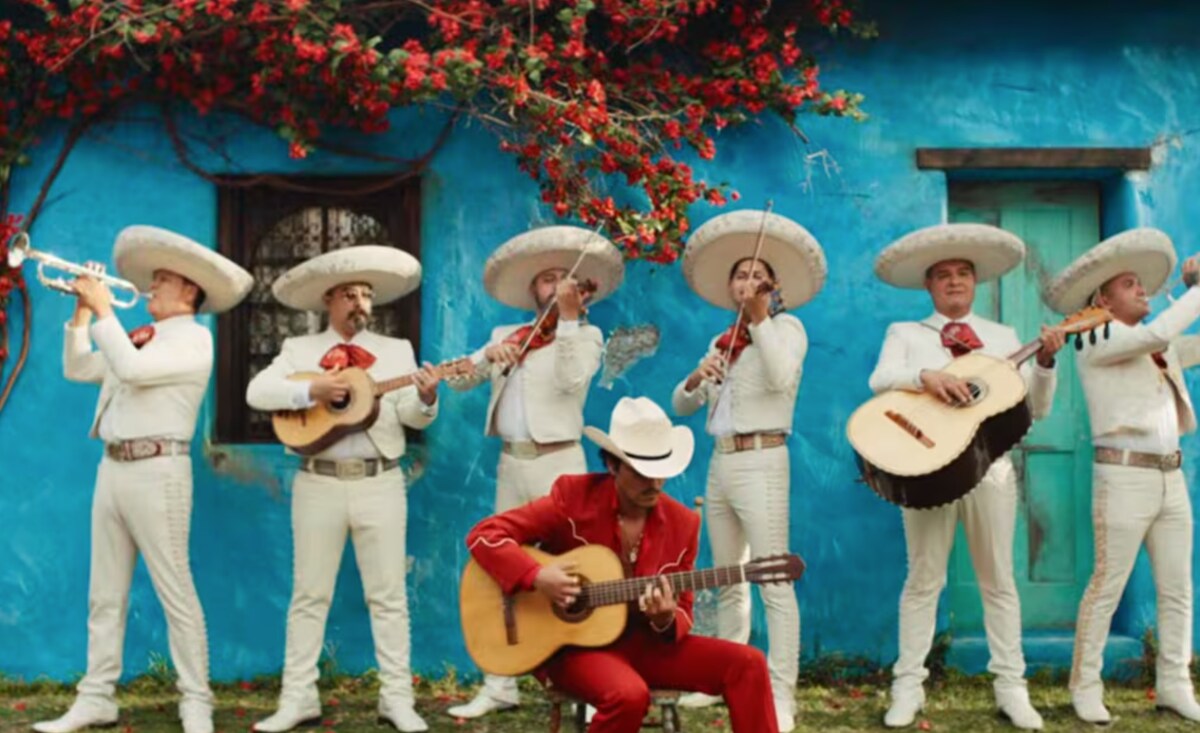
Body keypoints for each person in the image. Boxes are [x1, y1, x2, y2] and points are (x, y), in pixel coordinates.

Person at [35, 226, 253, 733]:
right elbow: (77, 367)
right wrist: (84, 312)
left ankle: (196, 702)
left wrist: (105, 310)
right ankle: (96, 698)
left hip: (160, 472)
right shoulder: (138, 336)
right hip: (112, 469)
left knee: (175, 588)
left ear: (189, 292)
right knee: (103, 594)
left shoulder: (196, 339)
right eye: (152, 280)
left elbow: (131, 371)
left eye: (162, 280)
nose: (151, 288)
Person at [466, 396, 780, 733]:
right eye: (642, 472)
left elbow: (683, 612)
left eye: (661, 471)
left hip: (644, 644)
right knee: (628, 695)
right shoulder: (572, 498)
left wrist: (664, 618)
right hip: (573, 648)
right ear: (613, 465)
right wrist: (536, 575)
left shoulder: (682, 523)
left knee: (748, 663)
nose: (654, 483)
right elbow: (485, 535)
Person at [867, 223, 1065, 730]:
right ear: (929, 286)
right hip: (926, 471)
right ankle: (907, 687)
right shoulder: (906, 334)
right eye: (942, 275)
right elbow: (878, 380)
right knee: (923, 579)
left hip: (990, 472)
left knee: (998, 580)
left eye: (963, 274)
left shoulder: (1001, 338)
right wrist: (924, 377)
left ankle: (1011, 689)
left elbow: (1036, 409)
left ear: (975, 283)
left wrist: (1045, 362)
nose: (953, 281)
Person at [246, 245, 441, 733]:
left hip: (381, 481)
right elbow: (257, 393)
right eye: (350, 294)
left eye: (367, 295)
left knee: (389, 596)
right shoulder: (300, 351)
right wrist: (312, 391)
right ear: (329, 300)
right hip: (318, 482)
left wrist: (426, 397)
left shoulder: (396, 352)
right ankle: (298, 698)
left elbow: (409, 418)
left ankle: (397, 700)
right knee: (309, 595)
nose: (360, 303)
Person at [447, 226, 625, 720]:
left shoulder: (587, 334)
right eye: (546, 279)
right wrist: (489, 356)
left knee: (577, 570)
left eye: (562, 279)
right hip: (513, 461)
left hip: (560, 462)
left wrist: (568, 318)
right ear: (534, 291)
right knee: (502, 562)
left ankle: (590, 682)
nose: (554, 285)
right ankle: (499, 682)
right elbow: (462, 382)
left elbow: (572, 380)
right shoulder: (507, 335)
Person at [670, 209, 826, 732]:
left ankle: (781, 696)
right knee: (728, 577)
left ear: (773, 286)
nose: (749, 282)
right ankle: (723, 678)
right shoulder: (721, 341)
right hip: (721, 462)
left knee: (773, 580)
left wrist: (760, 320)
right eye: (741, 275)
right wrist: (698, 376)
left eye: (759, 275)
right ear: (731, 285)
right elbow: (682, 405)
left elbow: (782, 378)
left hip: (763, 459)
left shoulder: (787, 328)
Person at [1044, 228, 1200, 724]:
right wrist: (1197, 291)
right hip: (1123, 477)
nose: (1143, 290)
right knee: (1107, 585)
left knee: (1177, 588)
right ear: (1104, 299)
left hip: (1169, 477)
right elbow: (1156, 333)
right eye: (1130, 284)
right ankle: (1084, 685)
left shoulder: (1158, 344)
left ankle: (1175, 683)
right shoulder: (1096, 335)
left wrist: (1193, 284)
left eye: (1142, 284)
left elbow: (1173, 338)